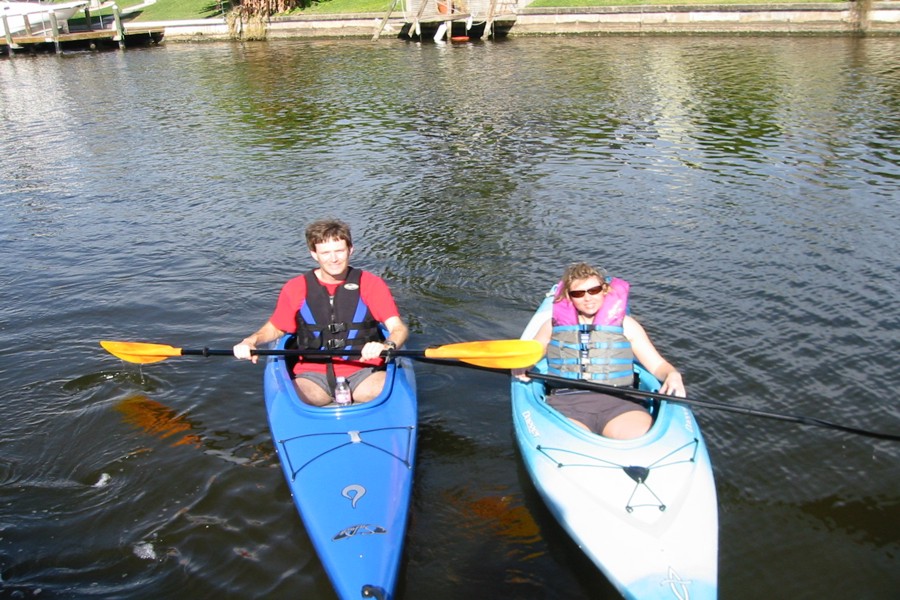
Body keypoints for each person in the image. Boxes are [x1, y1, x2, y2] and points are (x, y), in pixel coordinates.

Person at [233, 219, 409, 407]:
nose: (334, 259)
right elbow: (276, 328)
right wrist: (250, 341)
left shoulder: (371, 284)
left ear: (350, 250)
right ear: (314, 255)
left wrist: (388, 345)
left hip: (365, 372)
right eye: (325, 253)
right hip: (311, 377)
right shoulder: (296, 287)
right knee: (291, 398)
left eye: (339, 251)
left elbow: (398, 329)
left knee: (387, 391)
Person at [516, 262, 684, 440]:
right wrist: (520, 365)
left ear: (604, 290)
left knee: (638, 437)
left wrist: (672, 374)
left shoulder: (627, 325)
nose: (588, 298)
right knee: (572, 441)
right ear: (569, 296)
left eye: (594, 290)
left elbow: (658, 365)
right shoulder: (552, 326)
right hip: (567, 402)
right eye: (579, 294)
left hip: (620, 401)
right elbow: (531, 354)